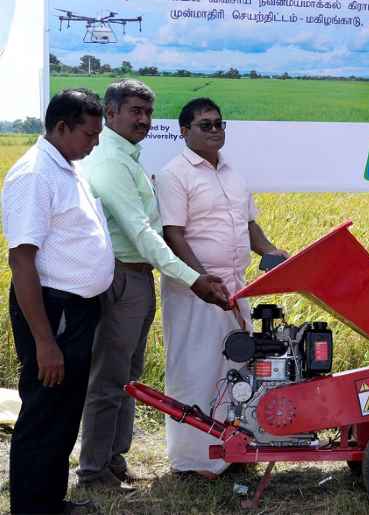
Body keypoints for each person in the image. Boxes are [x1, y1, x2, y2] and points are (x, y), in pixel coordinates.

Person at [77, 80, 229, 490]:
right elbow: (143, 233)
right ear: (110, 114)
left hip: (138, 278)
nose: (143, 119)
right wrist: (193, 278)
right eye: (134, 111)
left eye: (147, 112)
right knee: (110, 379)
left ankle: (113, 461)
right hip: (122, 277)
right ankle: (92, 471)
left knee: (129, 374)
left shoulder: (127, 158)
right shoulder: (110, 161)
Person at [155, 98, 287, 478]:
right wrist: (200, 279)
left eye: (219, 124)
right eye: (205, 125)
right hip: (196, 288)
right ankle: (194, 461)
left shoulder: (232, 173)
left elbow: (249, 226)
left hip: (234, 287)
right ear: (184, 131)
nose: (215, 131)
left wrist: (270, 250)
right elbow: (173, 234)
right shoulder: (174, 175)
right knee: (196, 369)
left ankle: (233, 450)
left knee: (236, 369)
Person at [2, 89, 114, 514]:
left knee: (64, 411)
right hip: (53, 311)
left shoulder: (67, 167)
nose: (95, 142)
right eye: (89, 133)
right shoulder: (34, 175)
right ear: (62, 127)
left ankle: (49, 500)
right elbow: (22, 260)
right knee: (45, 410)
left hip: (76, 311)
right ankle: (31, 508)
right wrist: (45, 342)